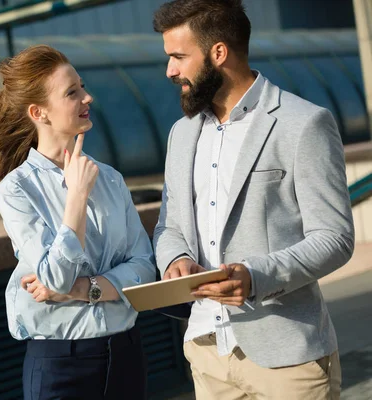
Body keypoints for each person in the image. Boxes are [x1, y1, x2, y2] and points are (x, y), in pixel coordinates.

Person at [151, 0, 354, 399]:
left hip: (289, 359)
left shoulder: (303, 123)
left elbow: (334, 238)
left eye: (178, 57)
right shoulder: (181, 134)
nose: (170, 71)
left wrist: (254, 276)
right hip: (207, 351)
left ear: (218, 53)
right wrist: (175, 260)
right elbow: (169, 226)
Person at [0, 44, 156, 400]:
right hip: (61, 362)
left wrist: (83, 290)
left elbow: (144, 267)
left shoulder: (111, 178)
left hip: (126, 355)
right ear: (40, 112)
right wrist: (77, 196)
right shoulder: (16, 190)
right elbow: (54, 278)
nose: (88, 97)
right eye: (72, 92)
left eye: (82, 86)